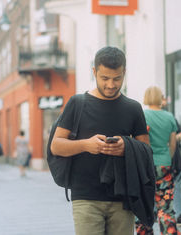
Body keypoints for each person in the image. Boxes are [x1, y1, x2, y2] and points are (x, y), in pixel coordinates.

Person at [51, 46, 150, 235]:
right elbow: (56, 146)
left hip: (123, 197)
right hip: (85, 197)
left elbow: (146, 151)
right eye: (105, 78)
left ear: (124, 73)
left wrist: (126, 148)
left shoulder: (133, 108)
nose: (111, 85)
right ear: (94, 71)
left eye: (117, 78)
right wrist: (86, 145)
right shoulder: (77, 103)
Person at [141, 86, 180, 235]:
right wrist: (166, 158)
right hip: (164, 164)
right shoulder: (169, 117)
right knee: (166, 207)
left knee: (145, 205)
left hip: (146, 166)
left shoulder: (142, 116)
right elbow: (173, 144)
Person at [161, 96, 181, 227]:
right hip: (159, 161)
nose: (164, 101)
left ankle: (178, 215)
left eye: (164, 99)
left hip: (173, 159)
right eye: (161, 98)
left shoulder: (170, 117)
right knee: (161, 189)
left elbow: (180, 134)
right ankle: (159, 212)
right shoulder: (147, 117)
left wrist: (174, 138)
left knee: (176, 187)